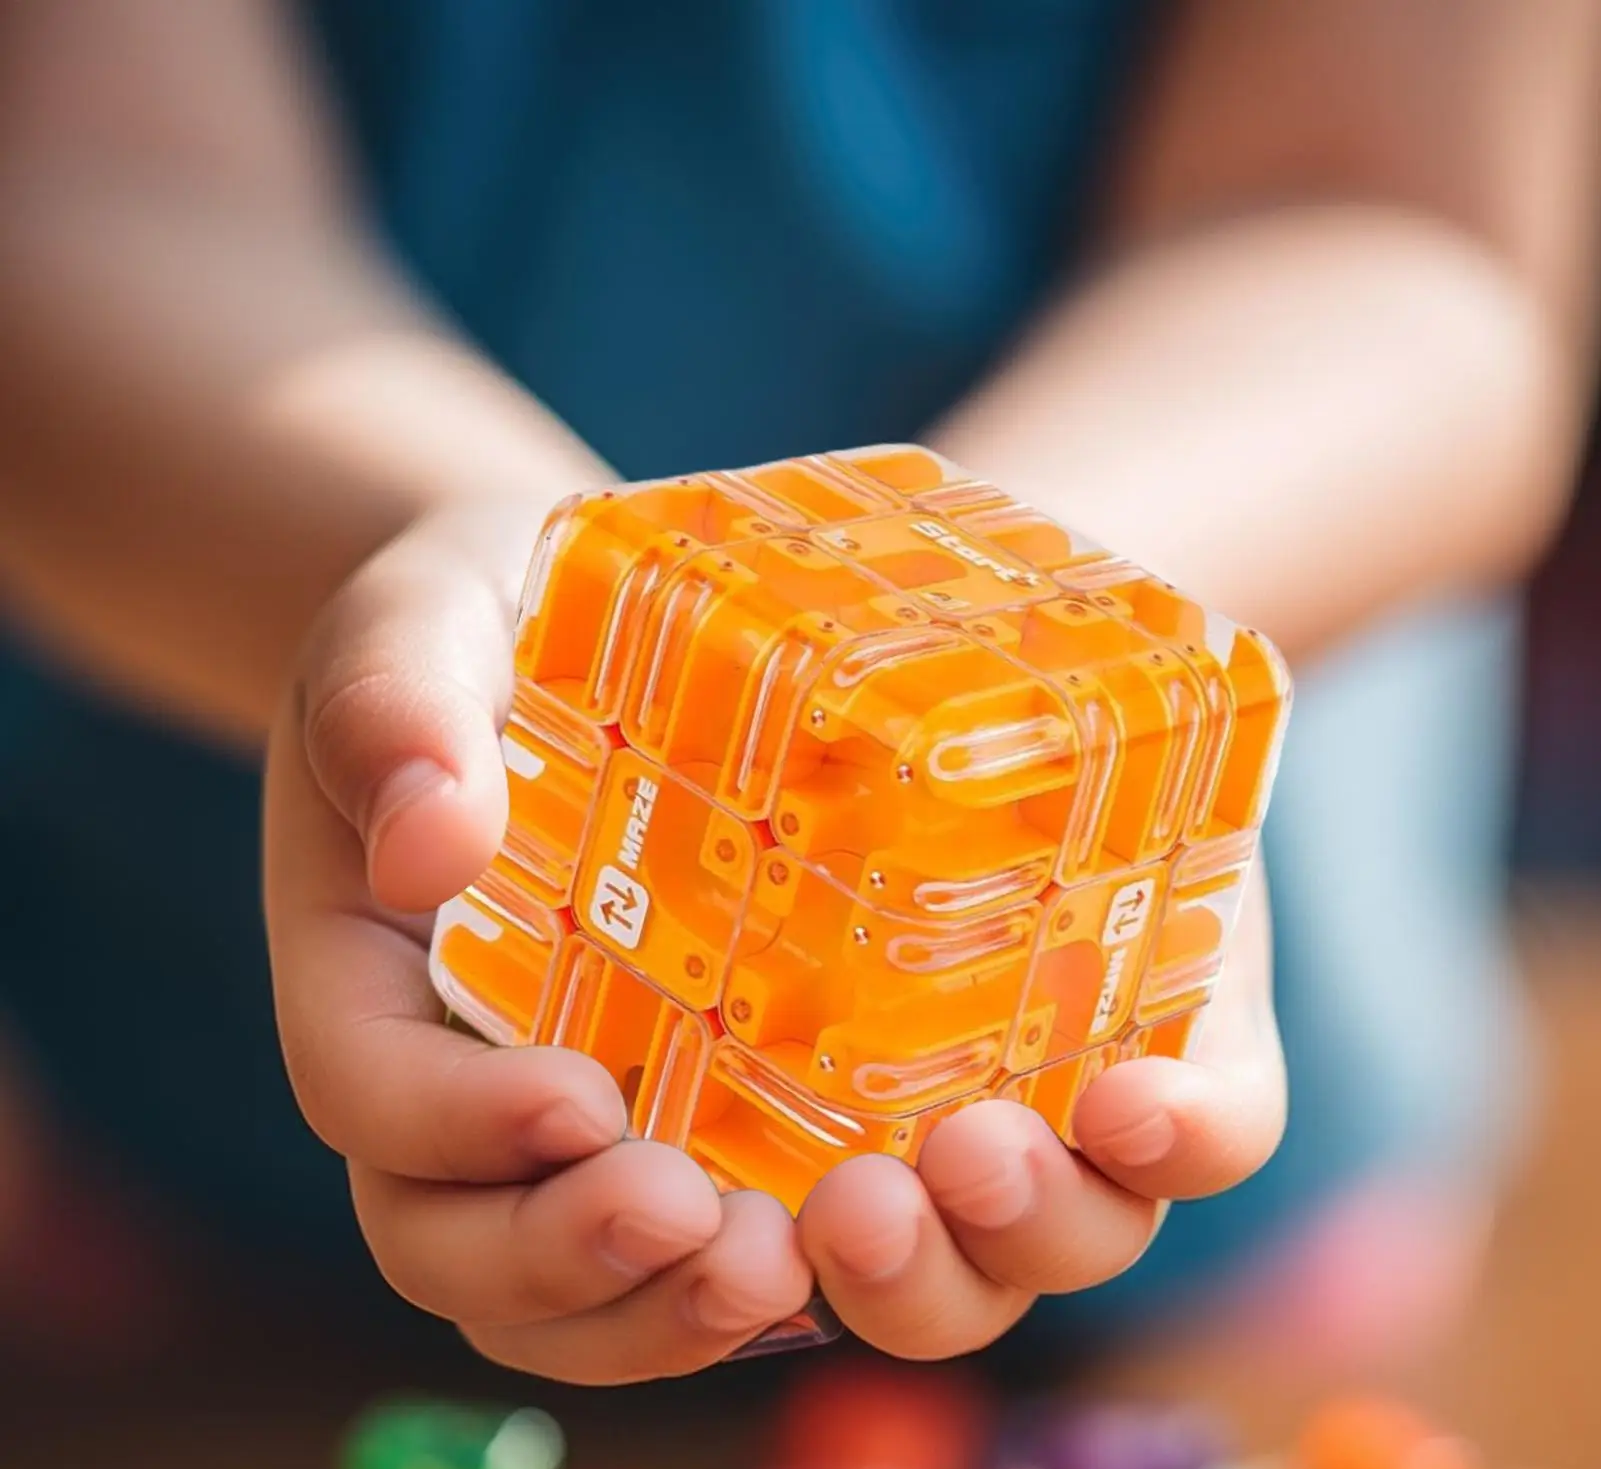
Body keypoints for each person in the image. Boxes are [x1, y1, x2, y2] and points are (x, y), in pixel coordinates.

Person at [0, 0, 1596, 1383]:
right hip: (215, 1121)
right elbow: (75, 182)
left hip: (1196, 1183)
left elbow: (1401, 238)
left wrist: (1002, 634)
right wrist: (541, 584)